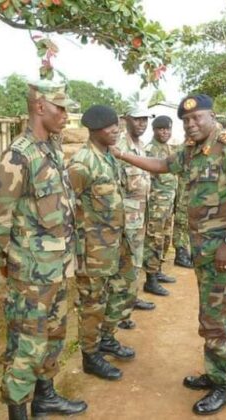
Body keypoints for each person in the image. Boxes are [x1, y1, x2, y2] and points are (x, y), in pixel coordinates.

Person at [112, 94, 226, 415]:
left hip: (225, 252)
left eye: (196, 119)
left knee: (217, 322)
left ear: (212, 117)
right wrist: (122, 154)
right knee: (209, 316)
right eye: (186, 121)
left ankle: (225, 387)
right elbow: (162, 165)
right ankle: (215, 372)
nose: (190, 125)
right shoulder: (191, 151)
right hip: (205, 252)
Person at [0, 80, 87, 420]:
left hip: (57, 267)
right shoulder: (19, 154)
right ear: (40, 107)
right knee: (26, 344)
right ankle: (19, 412)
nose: (66, 115)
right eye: (60, 108)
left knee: (55, 334)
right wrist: (9, 264)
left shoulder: (52, 148)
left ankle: (46, 397)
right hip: (30, 274)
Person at [67, 104, 136, 381]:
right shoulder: (81, 164)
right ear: (95, 130)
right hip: (93, 249)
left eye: (117, 125)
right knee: (92, 303)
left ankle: (107, 336)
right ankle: (90, 355)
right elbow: (66, 207)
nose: (116, 130)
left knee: (125, 289)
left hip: (117, 242)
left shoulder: (110, 157)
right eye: (110, 127)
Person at [114, 105, 156, 331]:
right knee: (126, 265)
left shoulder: (141, 146)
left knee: (136, 263)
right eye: (137, 119)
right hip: (126, 219)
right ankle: (120, 312)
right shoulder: (119, 147)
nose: (142, 123)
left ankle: (130, 300)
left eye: (145, 120)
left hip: (141, 215)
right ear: (126, 119)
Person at [142, 115, 178, 287]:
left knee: (165, 237)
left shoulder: (169, 149)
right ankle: (151, 278)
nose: (165, 132)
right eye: (161, 129)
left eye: (168, 129)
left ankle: (158, 270)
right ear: (154, 130)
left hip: (168, 202)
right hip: (156, 203)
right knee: (154, 239)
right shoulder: (150, 150)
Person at [172, 140, 193, 269]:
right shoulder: (183, 149)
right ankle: (181, 254)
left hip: (196, 193)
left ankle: (188, 252)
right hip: (184, 191)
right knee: (182, 223)